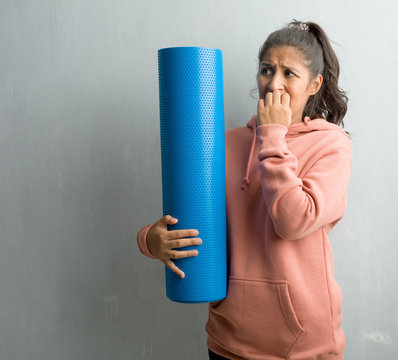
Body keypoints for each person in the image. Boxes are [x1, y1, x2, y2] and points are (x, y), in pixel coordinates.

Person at [136, 19, 352, 359]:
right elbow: (188, 217)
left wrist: (273, 137)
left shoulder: (331, 145)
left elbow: (293, 221)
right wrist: (150, 239)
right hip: (228, 343)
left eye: (289, 74)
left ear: (314, 84)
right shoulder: (227, 143)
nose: (273, 84)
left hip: (303, 348)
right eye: (267, 70)